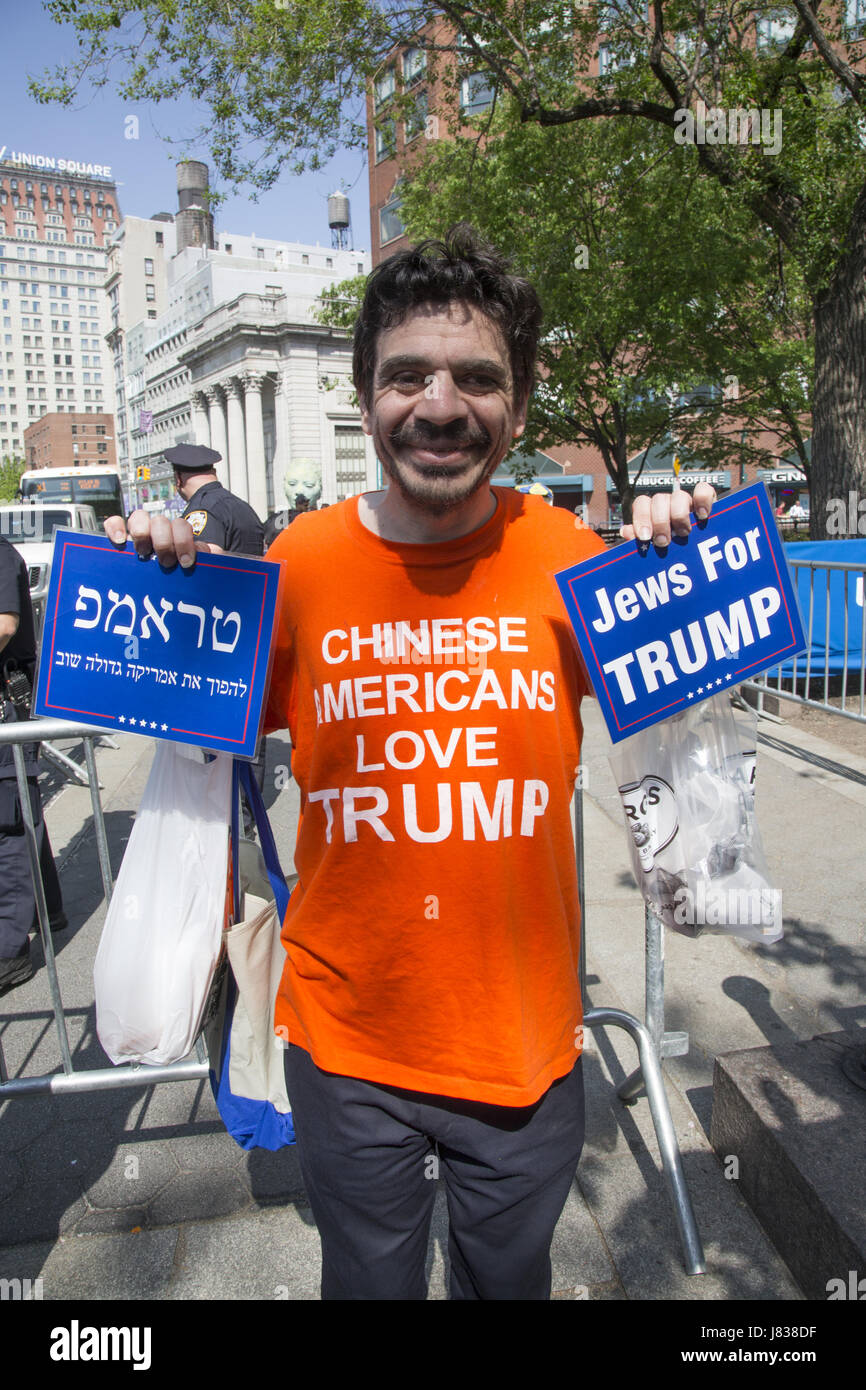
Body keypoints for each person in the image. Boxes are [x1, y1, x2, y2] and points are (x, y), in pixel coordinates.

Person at [107, 226, 716, 1300]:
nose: (439, 405)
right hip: (345, 1046)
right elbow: (197, 734)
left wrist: (684, 554)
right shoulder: (293, 563)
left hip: (523, 1049)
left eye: (476, 377)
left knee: (503, 1284)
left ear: (517, 406)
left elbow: (699, 778)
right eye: (406, 376)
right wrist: (162, 586)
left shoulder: (573, 559)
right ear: (363, 396)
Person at [165, 442, 267, 836]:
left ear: (179, 479)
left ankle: (232, 822)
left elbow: (198, 572)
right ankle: (245, 813)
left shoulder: (202, 512)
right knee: (246, 735)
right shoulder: (242, 507)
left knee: (219, 739)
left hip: (216, 644)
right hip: (247, 639)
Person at [0, 532, 66, 994]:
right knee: (20, 808)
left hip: (10, 704)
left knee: (9, 823)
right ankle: (49, 908)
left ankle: (10, 950)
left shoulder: (1, 555)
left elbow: (4, 624)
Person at [164, 443, 265, 557]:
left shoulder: (201, 509)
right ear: (214, 473)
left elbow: (206, 560)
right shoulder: (243, 506)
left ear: (178, 479)